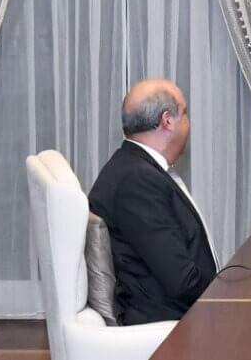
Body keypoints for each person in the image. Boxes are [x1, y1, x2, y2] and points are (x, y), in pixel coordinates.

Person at [89, 79, 218, 325]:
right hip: (169, 324)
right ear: (167, 121)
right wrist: (229, 294)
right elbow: (181, 280)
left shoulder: (134, 168)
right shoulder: (137, 182)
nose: (189, 122)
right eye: (185, 113)